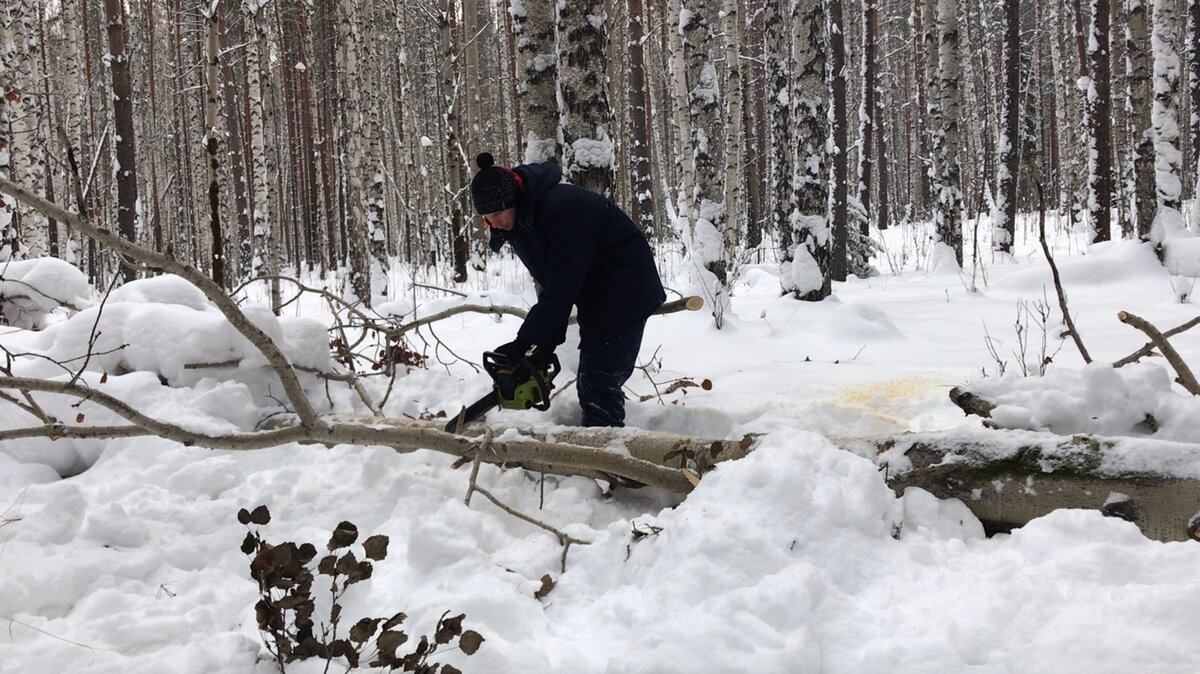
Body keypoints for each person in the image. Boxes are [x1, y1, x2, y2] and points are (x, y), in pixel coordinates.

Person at [469, 152, 666, 427]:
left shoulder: (562, 209)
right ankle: (599, 441)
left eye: (497, 214)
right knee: (592, 376)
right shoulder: (520, 225)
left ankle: (606, 451)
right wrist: (542, 347)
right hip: (594, 291)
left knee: (599, 377)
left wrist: (524, 342)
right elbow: (553, 286)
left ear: (512, 200)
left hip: (626, 287)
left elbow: (563, 286)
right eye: (486, 218)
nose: (494, 223)